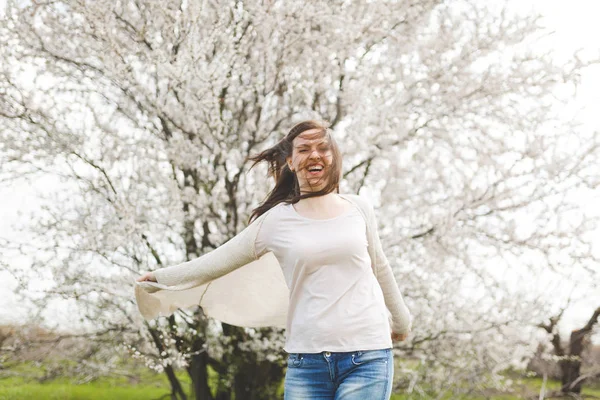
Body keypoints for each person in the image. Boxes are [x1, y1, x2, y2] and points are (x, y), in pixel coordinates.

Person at [136, 120, 412, 399]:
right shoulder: (276, 221)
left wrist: (401, 322)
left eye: (322, 148)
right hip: (307, 360)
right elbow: (215, 262)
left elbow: (380, 266)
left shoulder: (358, 208)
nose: (314, 155)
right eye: (304, 149)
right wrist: (161, 277)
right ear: (291, 162)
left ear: (333, 157)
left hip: (367, 356)